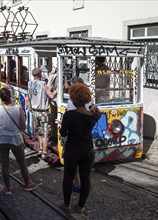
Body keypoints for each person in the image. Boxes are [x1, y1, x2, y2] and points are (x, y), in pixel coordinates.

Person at [59, 83, 101, 214]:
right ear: (87, 98)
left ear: (73, 98)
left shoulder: (69, 115)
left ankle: (66, 204)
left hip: (72, 150)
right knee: (86, 178)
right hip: (87, 150)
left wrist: (62, 124)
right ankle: (81, 206)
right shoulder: (92, 116)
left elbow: (63, 133)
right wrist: (94, 108)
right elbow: (98, 113)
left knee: (68, 177)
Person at [0, 88, 37, 194]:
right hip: (15, 139)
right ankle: (27, 184)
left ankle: (7, 188)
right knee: (22, 163)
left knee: (5, 165)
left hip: (2, 139)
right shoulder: (18, 109)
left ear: (1, 97)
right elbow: (22, 126)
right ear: (10, 96)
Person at [28, 68, 56, 160]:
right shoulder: (43, 84)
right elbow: (51, 95)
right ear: (40, 74)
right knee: (45, 133)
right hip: (43, 112)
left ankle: (40, 148)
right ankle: (44, 152)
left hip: (34, 112)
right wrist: (58, 90)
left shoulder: (30, 83)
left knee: (39, 131)